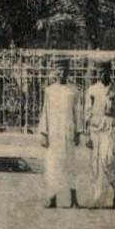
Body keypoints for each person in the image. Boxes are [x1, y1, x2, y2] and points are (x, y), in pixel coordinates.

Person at [37, 62, 80, 209]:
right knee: (52, 165)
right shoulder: (50, 90)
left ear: (68, 71)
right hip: (54, 132)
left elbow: (78, 112)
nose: (62, 72)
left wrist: (78, 132)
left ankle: (74, 199)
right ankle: (52, 198)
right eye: (59, 70)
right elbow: (46, 112)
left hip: (68, 131)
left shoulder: (73, 90)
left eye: (64, 70)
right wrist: (44, 132)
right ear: (55, 71)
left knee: (70, 164)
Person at [84, 61, 115, 209]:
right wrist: (87, 134)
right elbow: (87, 113)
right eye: (100, 72)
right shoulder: (92, 90)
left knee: (110, 160)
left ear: (110, 71)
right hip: (95, 129)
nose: (103, 74)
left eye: (105, 71)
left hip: (111, 128)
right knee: (95, 164)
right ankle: (97, 198)